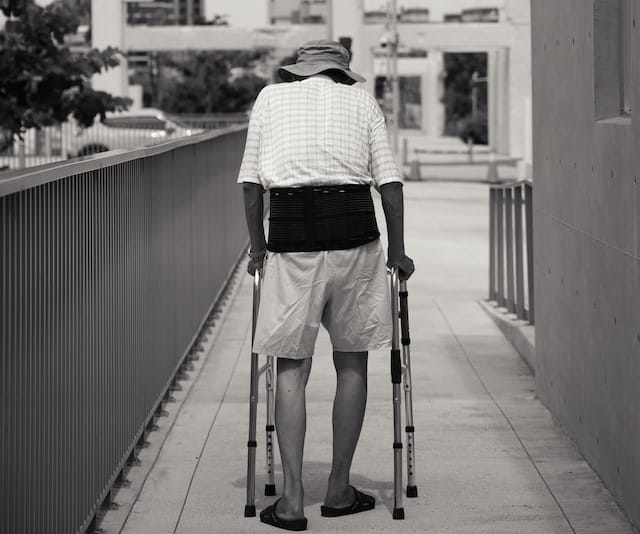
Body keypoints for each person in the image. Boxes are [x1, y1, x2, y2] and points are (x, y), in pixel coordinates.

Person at [238, 40, 414, 532]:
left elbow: (252, 186)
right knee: (351, 360)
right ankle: (338, 490)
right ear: (341, 72)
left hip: (292, 240)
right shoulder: (361, 100)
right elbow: (390, 186)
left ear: (296, 71)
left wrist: (258, 248)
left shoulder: (269, 98)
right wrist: (397, 252)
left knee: (291, 365)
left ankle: (292, 501)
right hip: (355, 238)